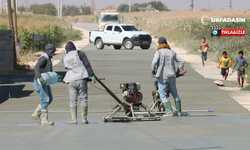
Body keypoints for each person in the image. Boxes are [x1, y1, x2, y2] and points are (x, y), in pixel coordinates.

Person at [63, 41, 96, 124]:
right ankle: (84, 119)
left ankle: (73, 119)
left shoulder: (65, 58)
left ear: (67, 50)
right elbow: (87, 64)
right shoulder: (80, 54)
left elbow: (66, 67)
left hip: (71, 81)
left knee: (73, 100)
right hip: (82, 78)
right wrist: (92, 75)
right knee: (83, 98)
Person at [151, 37, 185, 117]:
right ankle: (179, 112)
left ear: (159, 44)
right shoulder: (172, 52)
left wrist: (153, 70)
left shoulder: (158, 52)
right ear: (166, 43)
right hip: (172, 75)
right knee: (175, 93)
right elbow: (182, 61)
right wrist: (178, 71)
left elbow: (154, 62)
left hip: (162, 76)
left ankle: (170, 113)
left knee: (162, 94)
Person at [32, 44, 56, 125]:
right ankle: (44, 120)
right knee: (45, 100)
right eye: (53, 52)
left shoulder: (48, 58)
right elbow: (36, 67)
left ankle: (36, 114)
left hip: (45, 82)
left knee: (50, 98)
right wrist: (39, 77)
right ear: (49, 51)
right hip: (39, 82)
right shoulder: (44, 58)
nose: (53, 54)